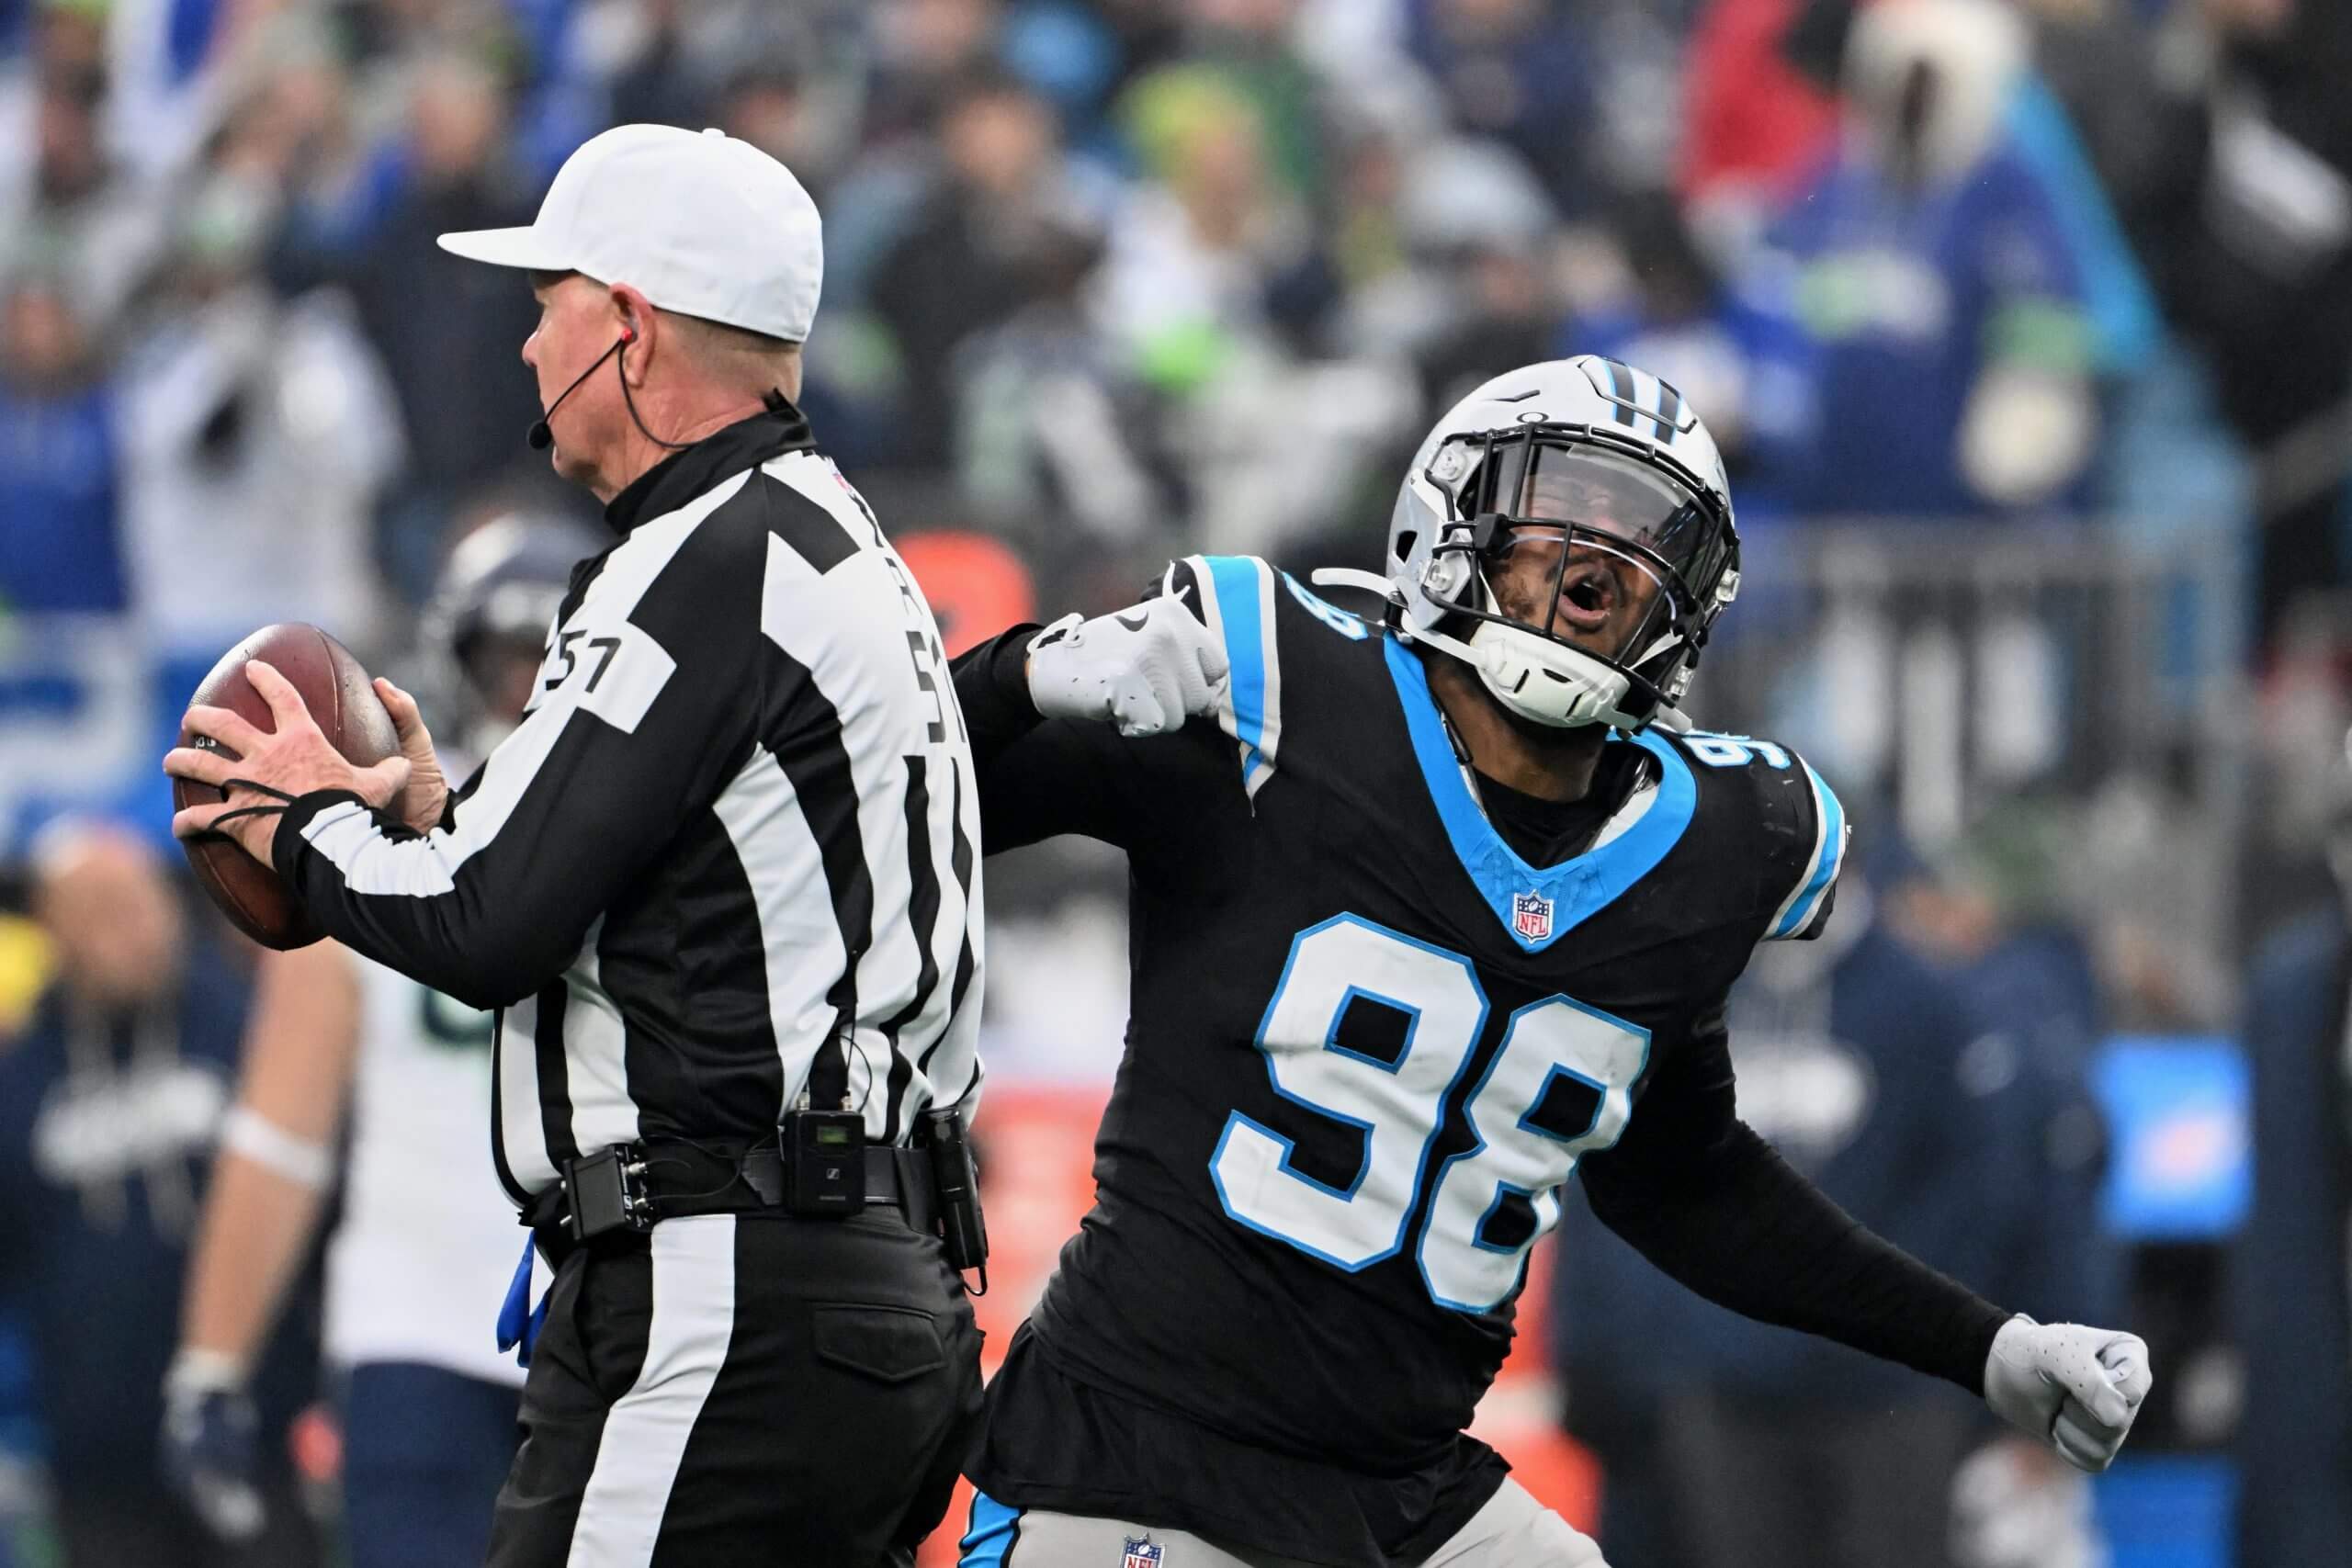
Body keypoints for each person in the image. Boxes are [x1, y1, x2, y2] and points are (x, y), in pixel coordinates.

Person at [947, 355, 2151, 1566]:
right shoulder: (1279, 698)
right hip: (1136, 1455)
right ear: (1450, 522)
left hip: (1406, 1488)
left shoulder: (1707, 847)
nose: (1597, 566)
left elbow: (1688, 1184)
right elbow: (906, 791)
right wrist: (1021, 674)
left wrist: (1985, 1346)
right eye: (1558, 512)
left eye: (1645, 542)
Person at [164, 123, 988, 1566]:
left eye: (548, 301)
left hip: (737, 1288)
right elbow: (648, 882)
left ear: (629, 321)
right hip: (827, 1273)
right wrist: (426, 811)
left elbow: (490, 923)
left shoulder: (710, 560)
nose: (529, 345)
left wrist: (301, 821)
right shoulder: (817, 536)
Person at [162, 519, 592, 1568]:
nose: (524, 689)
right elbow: (283, 1131)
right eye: (508, 660)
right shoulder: (637, 822)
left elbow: (280, 1136)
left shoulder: (360, 830)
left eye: (546, 659)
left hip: (546, 1327)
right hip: (497, 1318)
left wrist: (210, 1370)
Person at [0, 821, 321, 1568]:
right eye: (101, 913)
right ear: (54, 930)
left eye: (142, 902)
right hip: (97, 1461)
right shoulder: (23, 1073)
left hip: (259, 1433)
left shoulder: (245, 1025)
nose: (135, 930)